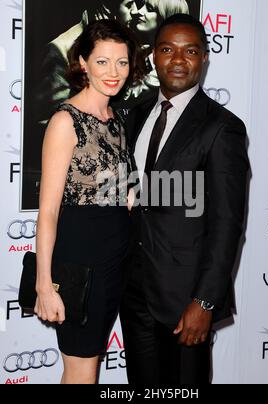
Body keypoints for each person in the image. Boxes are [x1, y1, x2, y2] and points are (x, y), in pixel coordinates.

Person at [120, 14, 249, 385]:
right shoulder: (137, 113)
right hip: (133, 290)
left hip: (186, 298)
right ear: (154, 57)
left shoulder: (222, 127)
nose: (178, 60)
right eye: (168, 50)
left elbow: (227, 224)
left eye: (190, 51)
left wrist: (205, 302)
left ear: (204, 58)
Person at [34, 19, 145, 384]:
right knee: (81, 369)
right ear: (83, 62)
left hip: (116, 258)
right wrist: (44, 285)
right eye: (102, 61)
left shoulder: (115, 119)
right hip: (81, 260)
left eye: (122, 62)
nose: (113, 72)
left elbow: (120, 192)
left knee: (89, 367)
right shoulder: (66, 121)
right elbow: (48, 212)